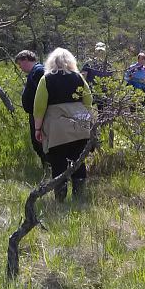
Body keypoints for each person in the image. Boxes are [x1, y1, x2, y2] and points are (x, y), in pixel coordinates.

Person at [33, 48, 93, 202]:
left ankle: (60, 199)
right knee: (78, 161)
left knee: (58, 163)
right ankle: (79, 197)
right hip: (80, 126)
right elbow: (88, 101)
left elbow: (39, 107)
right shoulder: (78, 77)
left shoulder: (46, 79)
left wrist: (37, 128)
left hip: (56, 129)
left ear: (51, 62)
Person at [15, 50, 46, 166]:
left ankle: (48, 166)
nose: (20, 67)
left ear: (26, 60)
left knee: (40, 141)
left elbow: (43, 94)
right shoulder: (35, 71)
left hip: (39, 114)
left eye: (20, 64)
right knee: (36, 142)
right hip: (35, 113)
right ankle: (46, 166)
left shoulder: (39, 71)